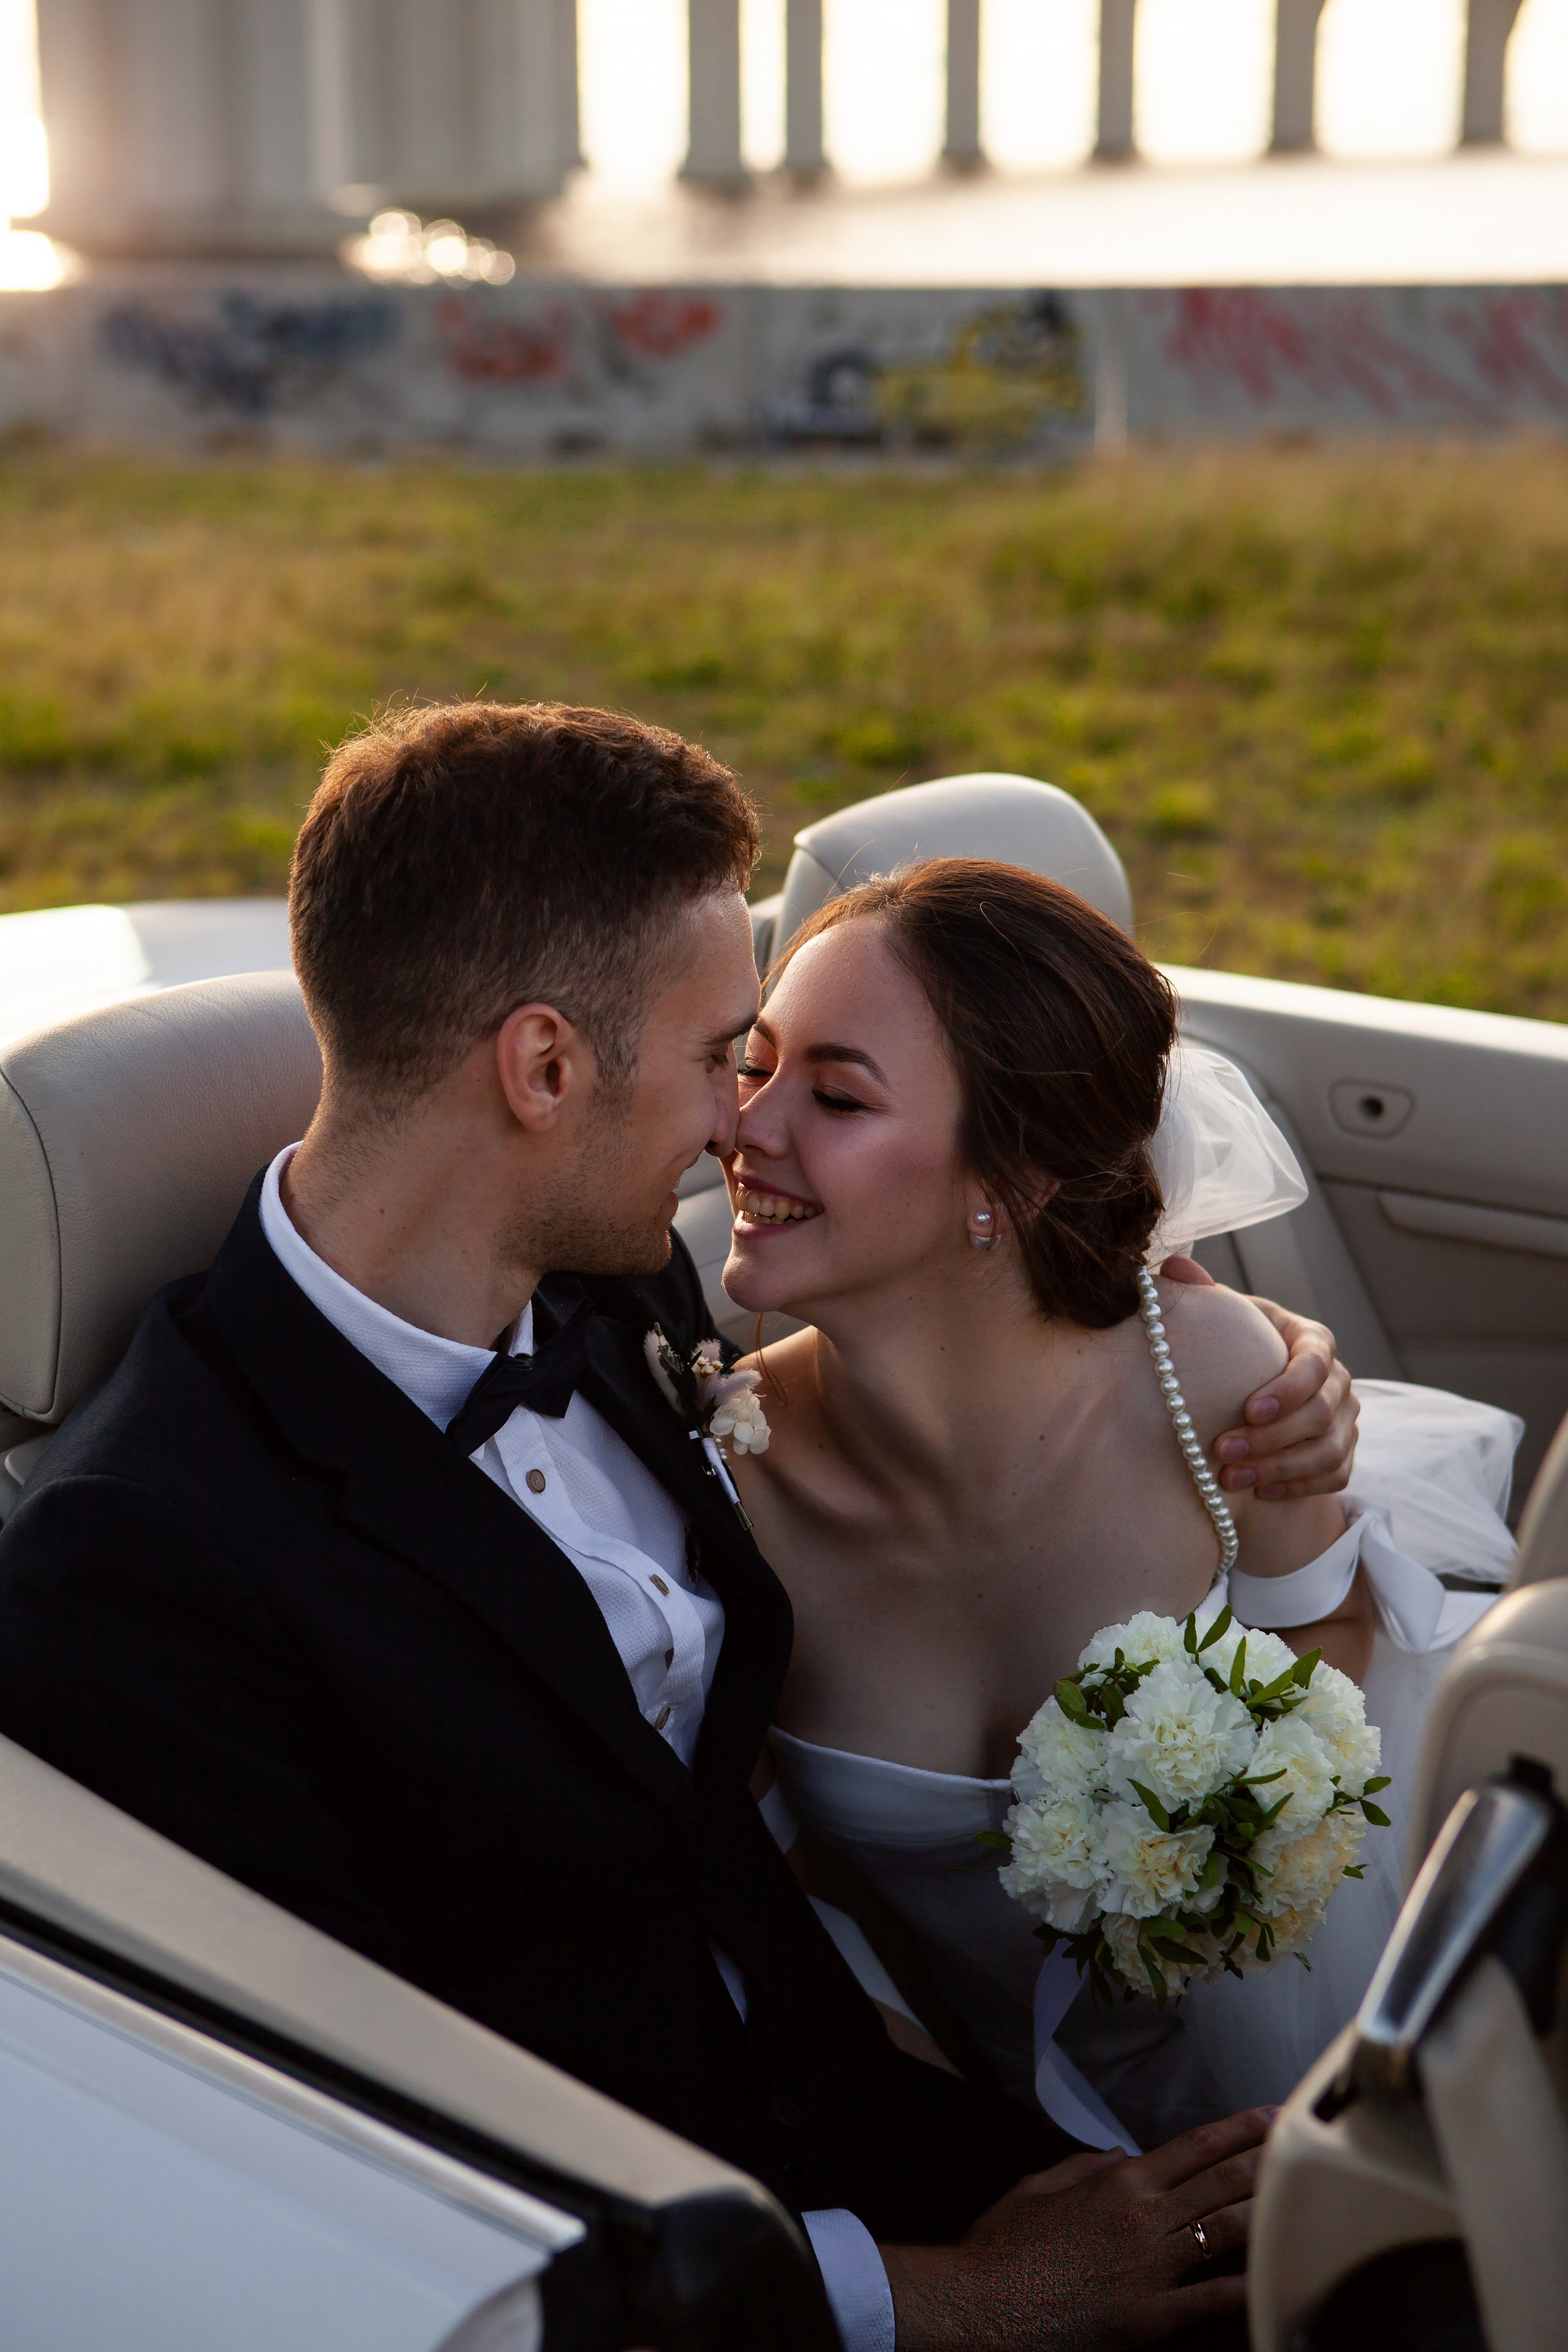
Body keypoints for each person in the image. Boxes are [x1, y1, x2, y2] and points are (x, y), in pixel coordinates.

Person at [0, 706, 1356, 2350]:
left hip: (888, 2118)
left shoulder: (623, 1283)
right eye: (731, 1056)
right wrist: (954, 2301)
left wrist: (1213, 1352)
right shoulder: (140, 1566)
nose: (742, 1128)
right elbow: (349, 2173)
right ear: (546, 1069)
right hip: (682, 2283)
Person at [722, 858, 1518, 2156]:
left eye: (834, 1095)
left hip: (1322, 2050)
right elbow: (777, 1901)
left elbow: (1331, 1672)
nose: (749, 1128)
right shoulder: (730, 1485)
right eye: (751, 1066)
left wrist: (1212, 1860)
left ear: (1013, 1180)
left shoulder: (1212, 1384)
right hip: (974, 2127)